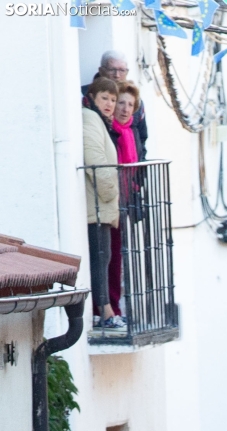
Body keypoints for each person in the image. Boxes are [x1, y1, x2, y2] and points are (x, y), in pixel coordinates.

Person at [83, 78, 121, 330]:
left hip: (101, 206)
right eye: (104, 98)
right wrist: (111, 191)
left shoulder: (99, 121)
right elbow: (95, 158)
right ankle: (105, 312)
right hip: (98, 205)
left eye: (113, 99)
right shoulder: (90, 119)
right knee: (100, 258)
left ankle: (106, 310)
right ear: (93, 98)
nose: (109, 104)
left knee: (104, 257)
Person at [107, 80, 142, 325]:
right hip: (111, 201)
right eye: (121, 102)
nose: (125, 108)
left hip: (126, 201)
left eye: (130, 104)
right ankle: (110, 308)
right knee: (110, 257)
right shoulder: (110, 131)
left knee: (119, 257)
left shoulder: (131, 132)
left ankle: (117, 306)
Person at [83, 51, 148, 160]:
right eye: (112, 69)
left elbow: (142, 138)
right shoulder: (85, 96)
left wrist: (141, 171)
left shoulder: (136, 100)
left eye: (122, 70)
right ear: (101, 70)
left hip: (132, 173)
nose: (117, 75)